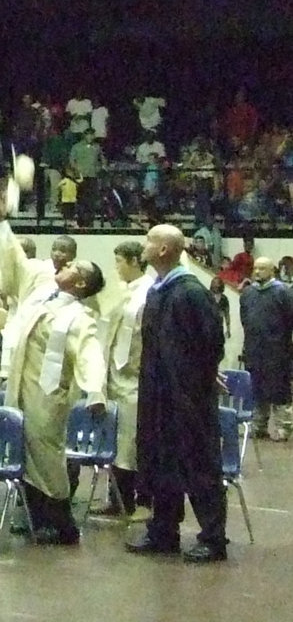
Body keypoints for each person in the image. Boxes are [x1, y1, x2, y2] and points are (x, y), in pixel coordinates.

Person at [0, 213, 106, 546]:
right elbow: (17, 256)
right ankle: (34, 516)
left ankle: (62, 523)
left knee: (46, 456)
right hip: (20, 385)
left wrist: (96, 391)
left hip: (48, 393)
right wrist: (1, 222)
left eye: (75, 268)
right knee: (23, 451)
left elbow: (90, 353)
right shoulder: (42, 293)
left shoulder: (79, 316)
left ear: (82, 283)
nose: (65, 266)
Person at [127, 224, 228, 563]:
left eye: (150, 240)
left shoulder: (190, 292)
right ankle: (164, 530)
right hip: (159, 393)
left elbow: (212, 340)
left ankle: (213, 539)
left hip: (187, 396)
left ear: (165, 250)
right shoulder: (158, 290)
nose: (145, 245)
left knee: (198, 463)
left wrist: (202, 377)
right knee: (162, 461)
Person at [101, 241, 152, 519]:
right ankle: (117, 498)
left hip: (137, 376)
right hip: (115, 375)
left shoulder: (150, 291)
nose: (116, 266)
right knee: (116, 441)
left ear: (134, 261)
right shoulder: (119, 291)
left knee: (136, 442)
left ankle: (143, 501)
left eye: (120, 260)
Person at [239, 256, 293, 441]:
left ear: (272, 271)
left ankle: (282, 427)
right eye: (255, 268)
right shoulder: (247, 294)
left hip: (278, 351)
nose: (257, 272)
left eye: (262, 268)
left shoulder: (283, 293)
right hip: (255, 350)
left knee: (279, 391)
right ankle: (258, 426)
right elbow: (245, 320)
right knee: (257, 389)